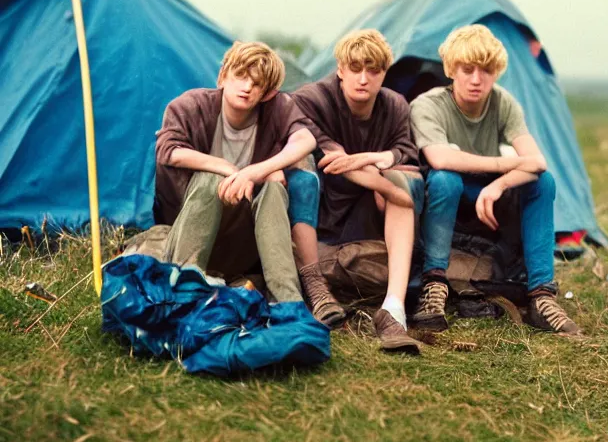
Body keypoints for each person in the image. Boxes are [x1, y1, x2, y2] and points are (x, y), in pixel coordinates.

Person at [410, 25, 582, 335]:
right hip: (444, 198)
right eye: (468, 69)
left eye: (486, 70)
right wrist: (504, 165)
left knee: (544, 184)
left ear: (496, 72)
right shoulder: (429, 105)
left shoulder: (503, 102)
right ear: (451, 70)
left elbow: (538, 162)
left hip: (485, 197)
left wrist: (498, 184)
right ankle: (433, 285)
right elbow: (440, 158)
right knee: (446, 179)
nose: (477, 79)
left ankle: (542, 295)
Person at [289, 29, 424, 354]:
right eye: (355, 68)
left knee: (404, 179)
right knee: (302, 174)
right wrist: (377, 179)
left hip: (369, 214)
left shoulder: (394, 105)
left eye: (373, 70)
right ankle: (306, 289)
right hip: (321, 209)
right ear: (340, 69)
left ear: (384, 73)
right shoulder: (312, 98)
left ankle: (393, 309)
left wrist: (375, 161)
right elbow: (328, 157)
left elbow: (405, 151)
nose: (363, 78)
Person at [154, 41, 316, 305]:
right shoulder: (191, 105)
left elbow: (306, 140)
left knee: (275, 187)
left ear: (267, 94)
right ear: (222, 77)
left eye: (257, 83)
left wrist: (257, 172)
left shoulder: (276, 109)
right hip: (188, 230)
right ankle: (185, 286)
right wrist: (229, 169)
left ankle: (286, 300)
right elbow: (168, 151)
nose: (247, 87)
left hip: (244, 242)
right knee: (210, 177)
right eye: (240, 76)